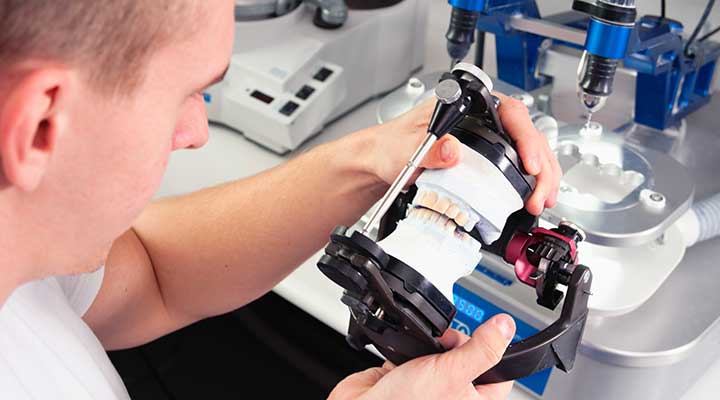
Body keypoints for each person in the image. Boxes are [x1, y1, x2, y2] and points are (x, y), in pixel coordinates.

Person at [0, 1, 561, 399]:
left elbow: (149, 273)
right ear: (40, 125)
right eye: (188, 93)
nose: (197, 131)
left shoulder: (27, 253)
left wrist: (375, 156)